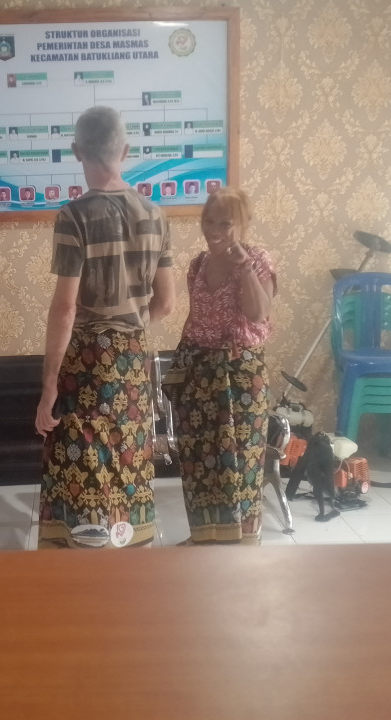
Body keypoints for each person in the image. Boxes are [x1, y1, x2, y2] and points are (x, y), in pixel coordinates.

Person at [35, 106, 175, 549]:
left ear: (77, 151)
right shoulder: (155, 215)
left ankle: (85, 557)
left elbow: (65, 309)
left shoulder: (74, 216)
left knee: (82, 462)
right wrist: (129, 326)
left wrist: (49, 387)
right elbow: (166, 303)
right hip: (132, 360)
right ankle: (129, 551)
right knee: (128, 458)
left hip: (86, 363)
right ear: (125, 151)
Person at [166, 187, 276, 545]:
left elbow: (258, 313)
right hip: (199, 373)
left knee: (241, 461)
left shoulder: (258, 260)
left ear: (242, 223)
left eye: (225, 223)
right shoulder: (197, 264)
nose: (214, 230)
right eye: (209, 221)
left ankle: (244, 544)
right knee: (199, 460)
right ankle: (204, 538)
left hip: (240, 374)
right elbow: (197, 319)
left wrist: (244, 269)